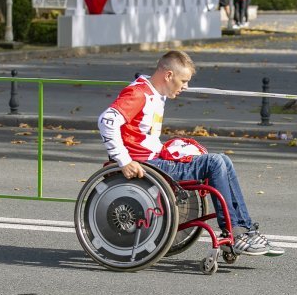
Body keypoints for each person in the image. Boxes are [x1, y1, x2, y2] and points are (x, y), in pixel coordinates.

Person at [98, 51, 285, 257]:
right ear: (168, 75)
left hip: (154, 160)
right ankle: (236, 232)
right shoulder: (139, 93)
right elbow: (107, 121)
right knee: (215, 163)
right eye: (183, 80)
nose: (185, 86)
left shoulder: (155, 93)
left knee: (223, 159)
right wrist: (124, 161)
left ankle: (245, 230)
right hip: (146, 166)